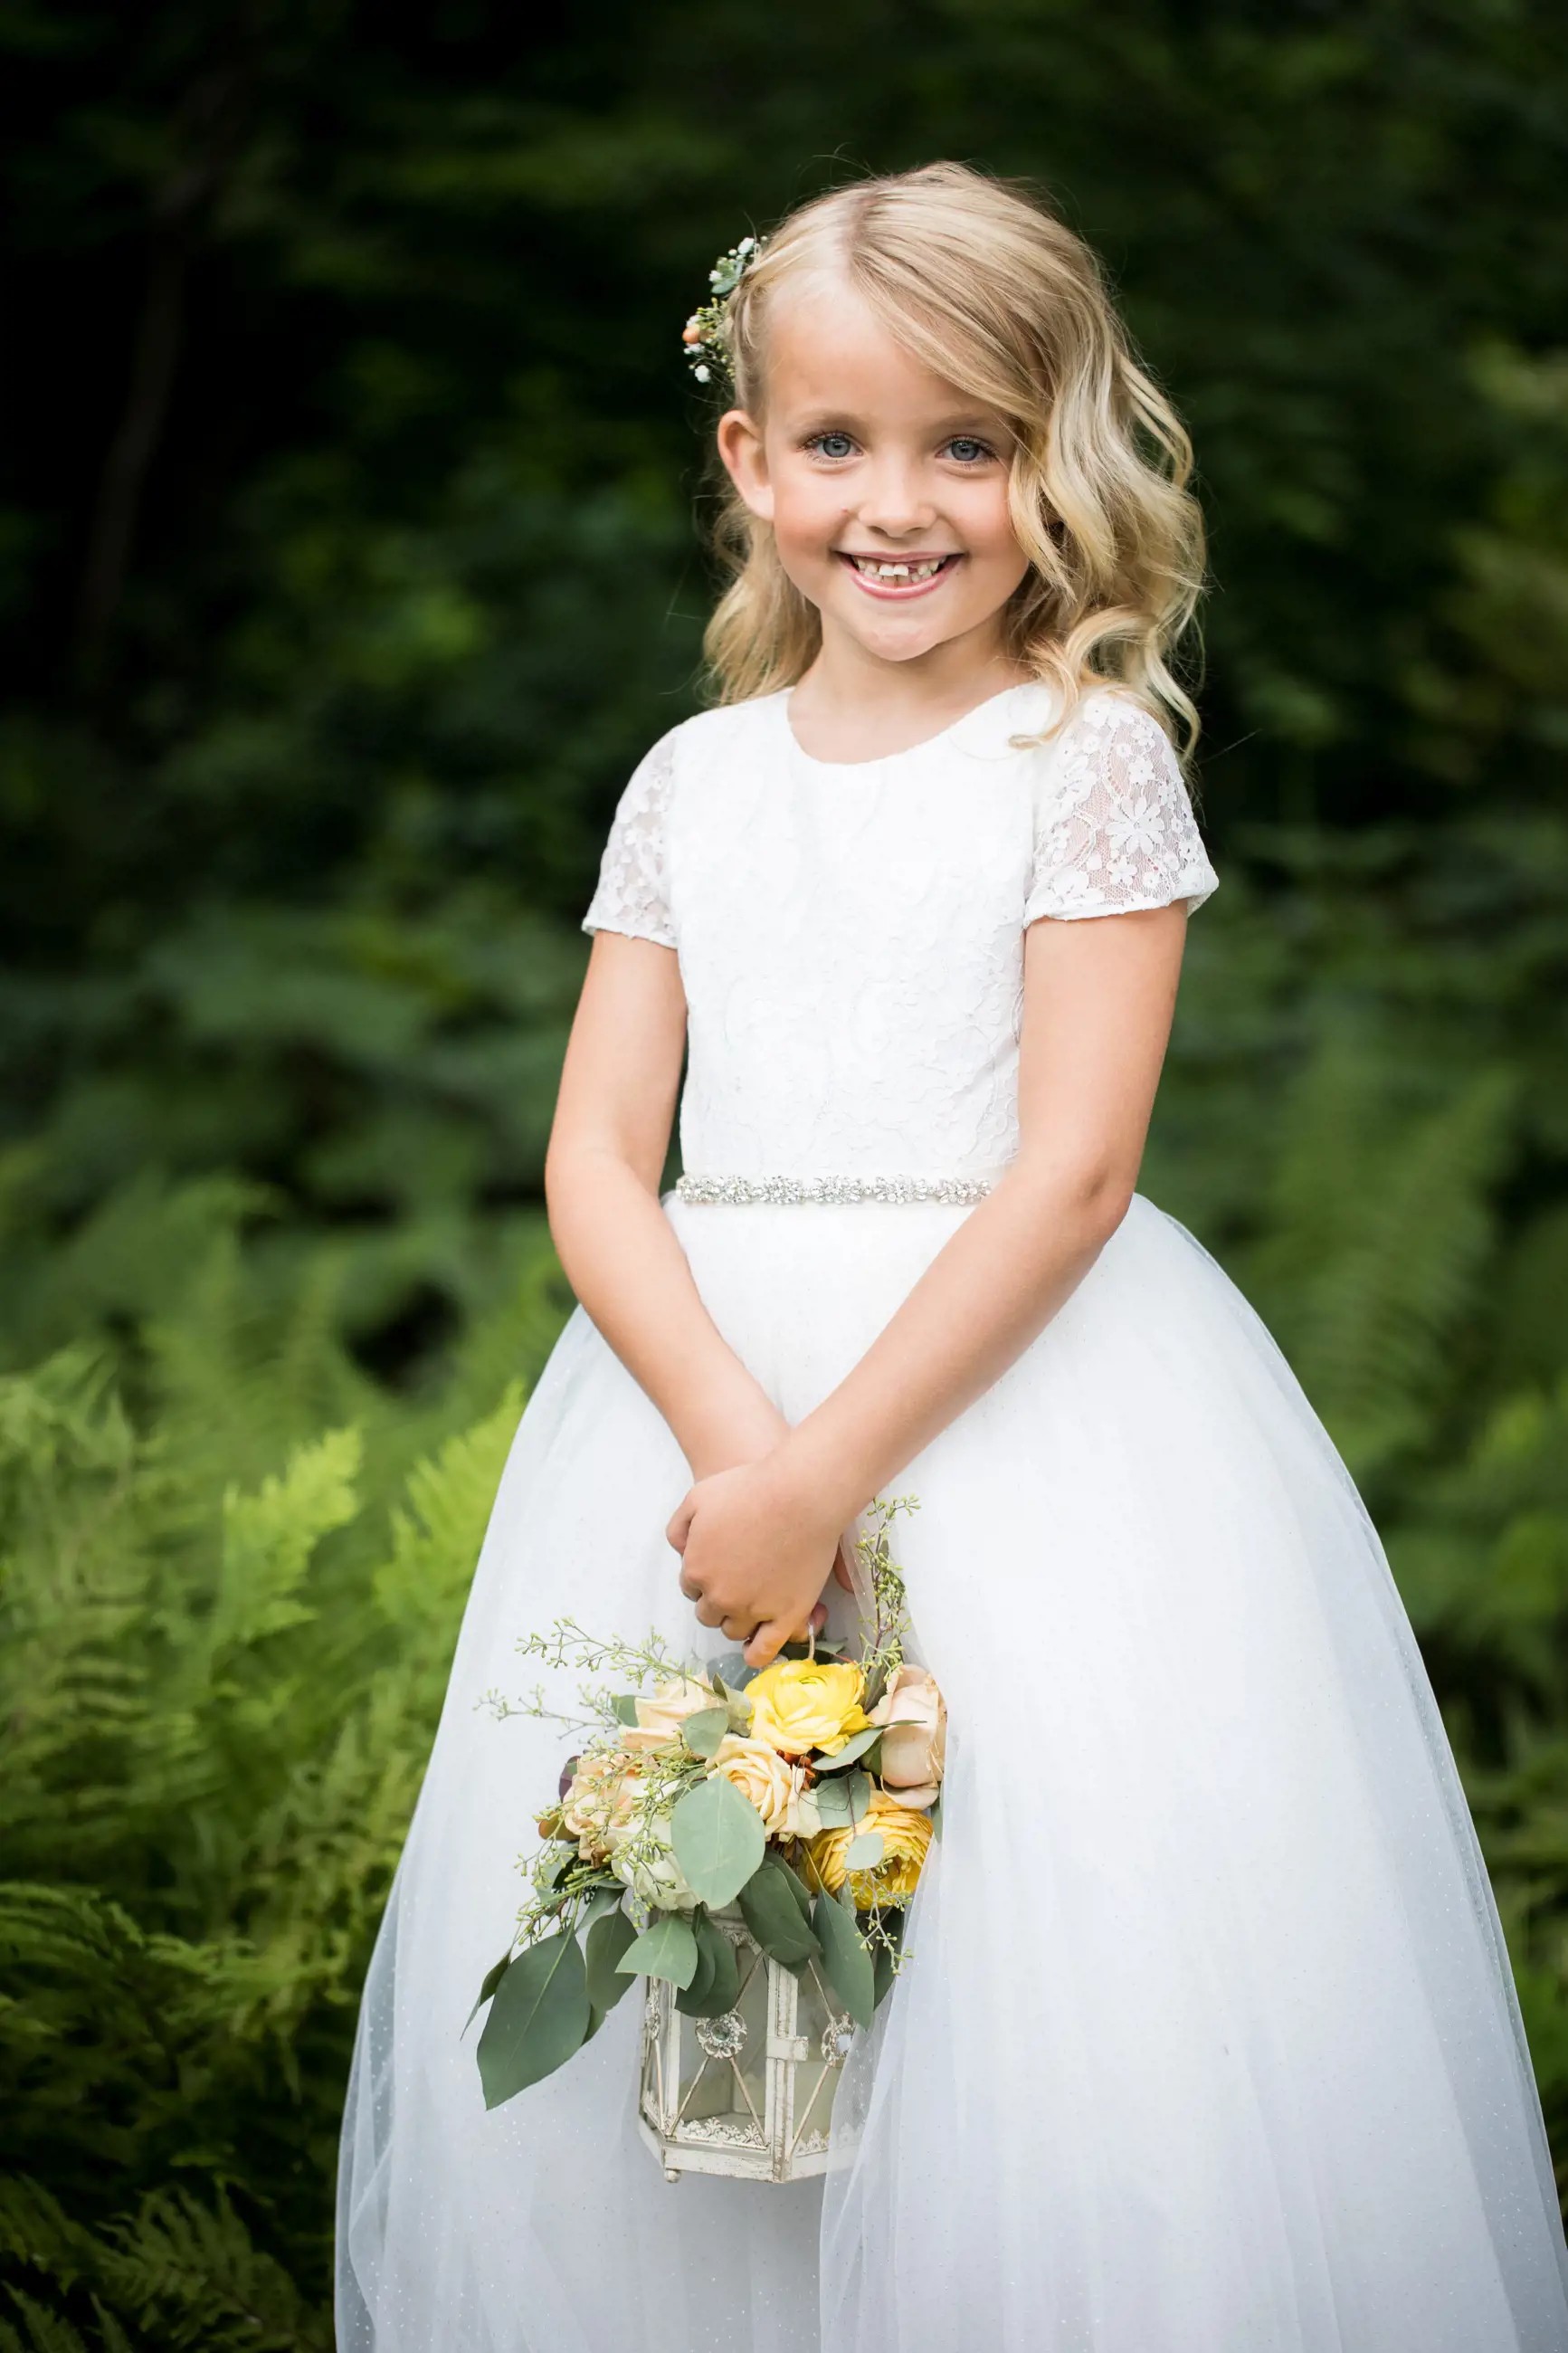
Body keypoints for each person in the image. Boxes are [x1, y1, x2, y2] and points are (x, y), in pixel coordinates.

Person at [336, 163, 1568, 2352]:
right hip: (696, 1427)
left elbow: (1076, 1177)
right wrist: (741, 1457)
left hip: (1020, 1419)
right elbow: (601, 1161)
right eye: (838, 443)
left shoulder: (1080, 762)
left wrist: (834, 1478)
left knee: (1042, 1966)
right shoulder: (693, 784)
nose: (898, 504)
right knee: (709, 1979)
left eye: (968, 444)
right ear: (750, 461)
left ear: (1052, 459)